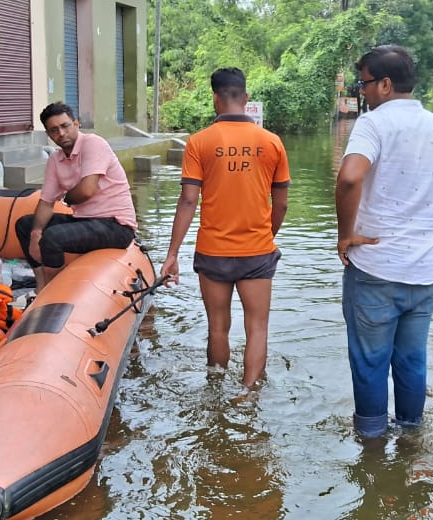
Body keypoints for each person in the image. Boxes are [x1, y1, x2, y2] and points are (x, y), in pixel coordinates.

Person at [335, 46, 433, 439]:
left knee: (370, 361)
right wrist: (424, 199)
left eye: (364, 84)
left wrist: (345, 234)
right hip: (424, 274)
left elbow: (348, 178)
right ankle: (411, 436)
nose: (363, 92)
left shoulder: (373, 124)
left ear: (386, 84)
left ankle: (372, 443)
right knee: (412, 361)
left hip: (376, 267)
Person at [160, 68, 290, 389]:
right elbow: (282, 204)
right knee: (257, 328)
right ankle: (248, 396)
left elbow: (189, 201)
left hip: (213, 251)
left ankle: (215, 389)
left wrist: (172, 254)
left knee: (217, 327)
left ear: (215, 99)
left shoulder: (199, 142)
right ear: (245, 99)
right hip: (257, 251)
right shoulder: (271, 142)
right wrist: (265, 237)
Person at [15, 102, 138, 290]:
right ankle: (42, 285)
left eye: (65, 126)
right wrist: (35, 233)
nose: (61, 133)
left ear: (76, 124)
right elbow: (46, 202)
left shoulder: (93, 143)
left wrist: (66, 198)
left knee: (53, 237)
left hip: (116, 226)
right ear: (49, 135)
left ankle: (56, 292)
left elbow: (87, 190)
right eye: (54, 130)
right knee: (25, 225)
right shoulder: (55, 160)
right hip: (85, 220)